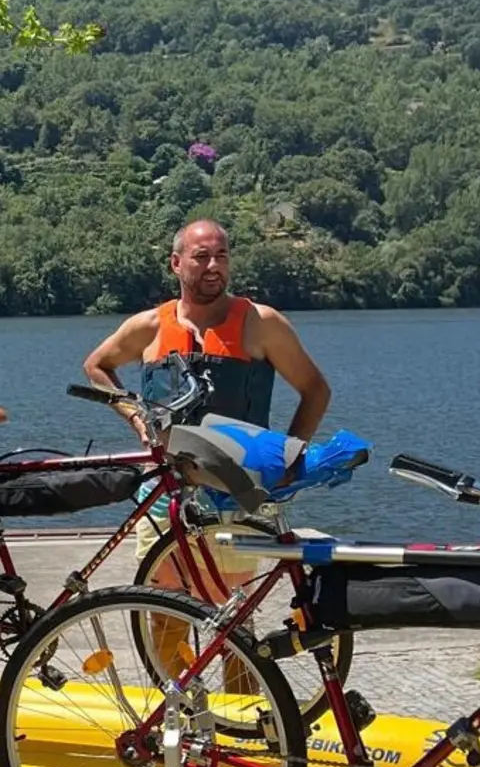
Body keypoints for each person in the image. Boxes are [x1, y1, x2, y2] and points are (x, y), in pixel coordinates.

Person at [82, 218, 331, 688]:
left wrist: (290, 459)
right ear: (177, 264)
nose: (214, 265)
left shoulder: (261, 324)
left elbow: (315, 390)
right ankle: (180, 708)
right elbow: (97, 366)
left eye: (221, 255)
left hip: (234, 494)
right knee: (165, 610)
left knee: (233, 617)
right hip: (166, 497)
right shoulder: (150, 326)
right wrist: (136, 418)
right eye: (201, 257)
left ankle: (246, 714)